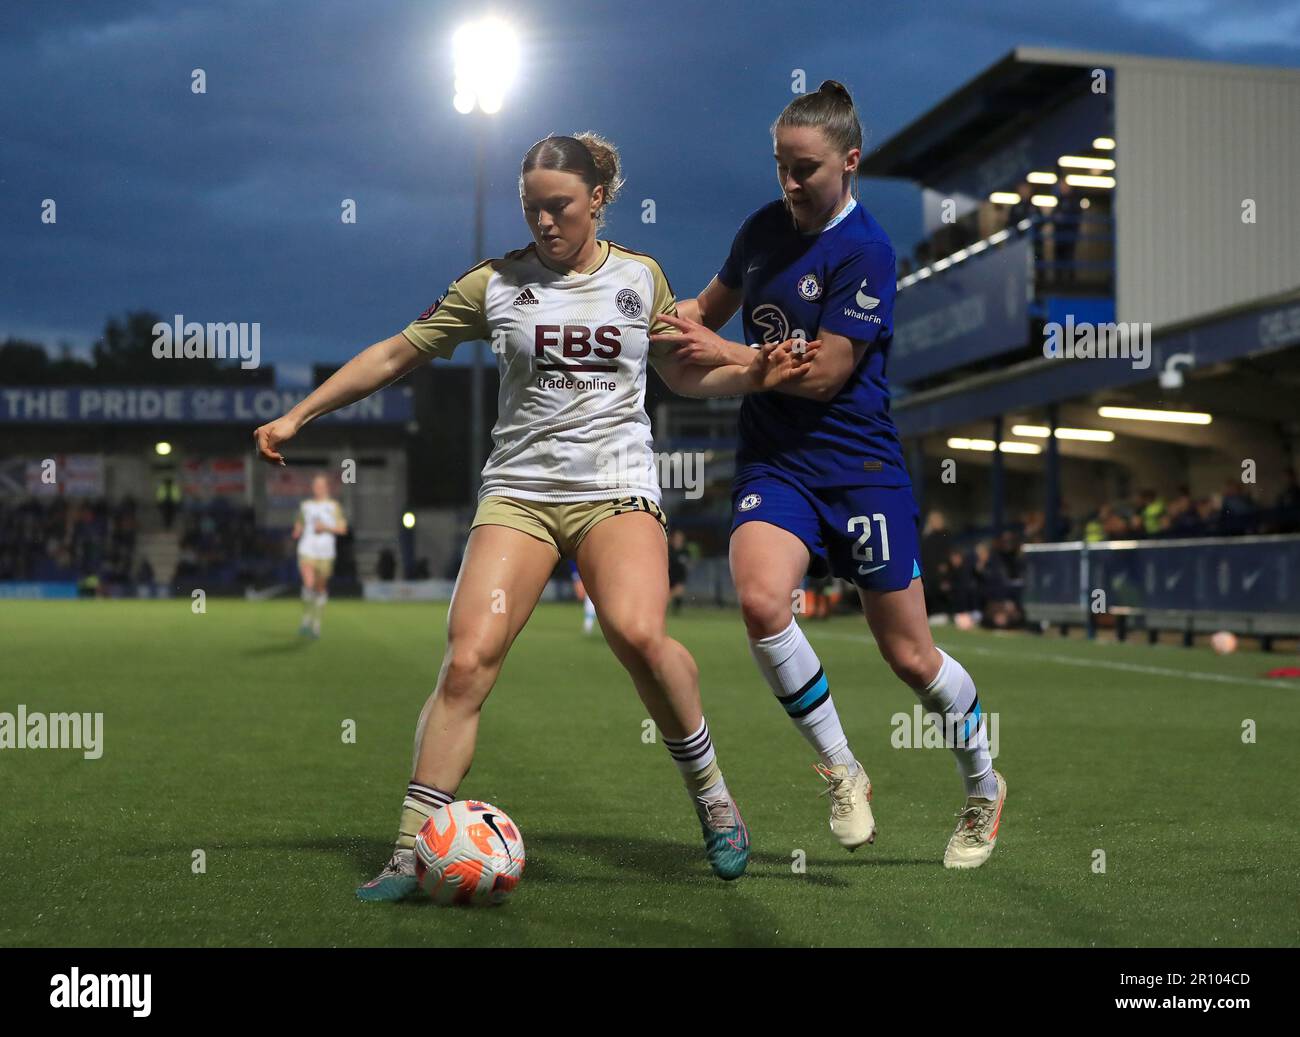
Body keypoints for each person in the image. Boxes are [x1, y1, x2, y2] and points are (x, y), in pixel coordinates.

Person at [254, 132, 815, 898]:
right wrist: (299, 416)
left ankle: (713, 795)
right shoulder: (493, 283)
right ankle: (410, 850)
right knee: (468, 659)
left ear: (596, 200)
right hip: (519, 493)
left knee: (639, 634)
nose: (545, 223)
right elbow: (395, 355)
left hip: (615, 489)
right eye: (531, 209)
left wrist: (754, 370)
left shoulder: (638, 278)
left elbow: (681, 373)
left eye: (559, 207)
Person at [655, 81, 1005, 869]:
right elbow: (702, 315)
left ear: (849, 163)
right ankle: (843, 768)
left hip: (862, 470)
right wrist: (648, 313)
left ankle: (983, 785)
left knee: (910, 657)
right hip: (777, 464)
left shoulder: (869, 252)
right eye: (779, 165)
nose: (788, 183)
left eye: (804, 168)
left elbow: (822, 377)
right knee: (758, 599)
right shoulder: (760, 231)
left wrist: (733, 356)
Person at [292, 473, 347, 638]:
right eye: (316, 485)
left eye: (321, 486)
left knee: (320, 588)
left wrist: (325, 527)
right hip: (307, 550)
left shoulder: (334, 506)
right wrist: (297, 530)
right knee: (308, 584)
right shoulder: (306, 506)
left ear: (326, 488)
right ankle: (306, 619)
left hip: (326, 553)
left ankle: (316, 623)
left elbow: (342, 529)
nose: (318, 488)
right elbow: (299, 523)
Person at [667, 529, 692, 614]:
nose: (678, 540)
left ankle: (676, 610)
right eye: (676, 538)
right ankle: (664, 605)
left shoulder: (685, 551)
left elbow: (689, 562)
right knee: (671, 593)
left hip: (680, 576)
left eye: (680, 538)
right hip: (670, 575)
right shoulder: (669, 550)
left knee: (679, 591)